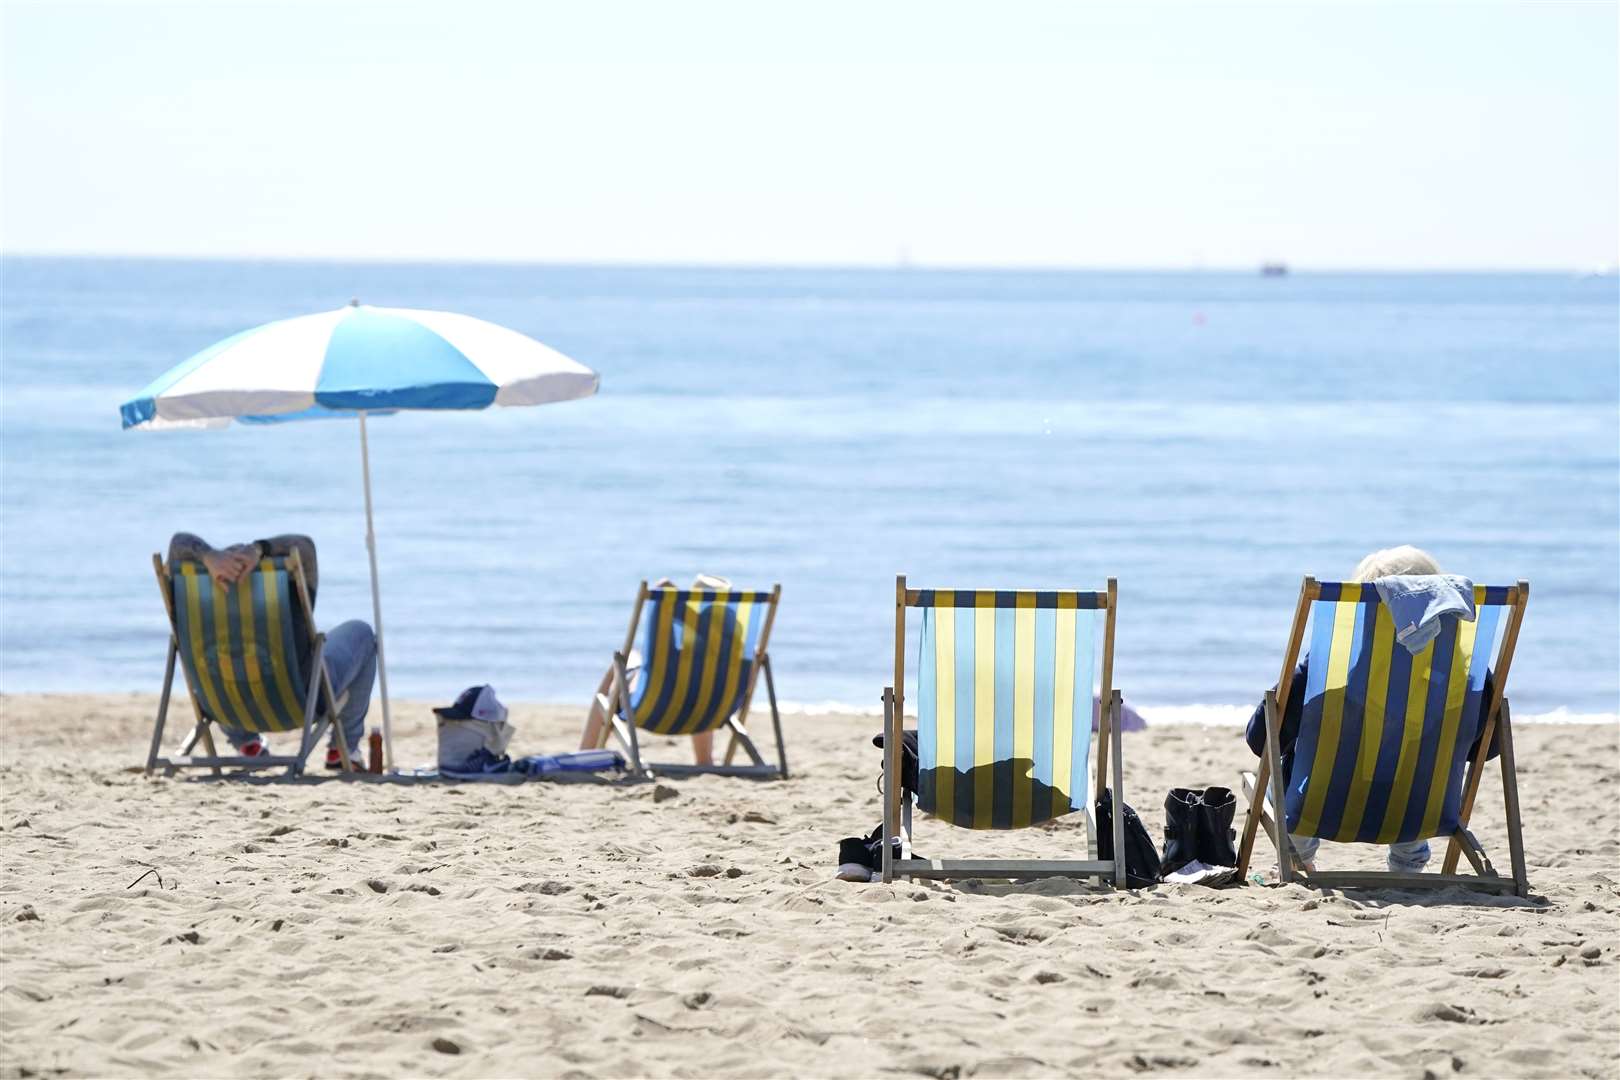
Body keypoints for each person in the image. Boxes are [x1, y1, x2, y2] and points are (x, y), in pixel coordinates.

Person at [1245, 545, 1499, 874]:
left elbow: (1261, 740)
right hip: (1418, 811)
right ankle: (1407, 867)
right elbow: (1485, 750)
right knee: (1418, 764)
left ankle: (1298, 857)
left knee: (1296, 758)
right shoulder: (1462, 681)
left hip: (1327, 806)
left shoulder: (1323, 676)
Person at [166, 532, 377, 769]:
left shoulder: (195, 603)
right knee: (363, 634)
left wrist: (209, 556)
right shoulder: (286, 595)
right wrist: (258, 550)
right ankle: (342, 748)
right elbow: (305, 546)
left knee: (226, 670)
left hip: (222, 706)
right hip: (298, 703)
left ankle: (248, 745)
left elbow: (178, 543)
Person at [578, 574, 733, 766]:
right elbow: (747, 685)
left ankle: (585, 754)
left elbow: (661, 587)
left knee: (624, 662)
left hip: (653, 707)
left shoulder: (680, 642)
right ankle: (705, 760)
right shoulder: (736, 646)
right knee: (701, 689)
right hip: (708, 712)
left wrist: (680, 602)